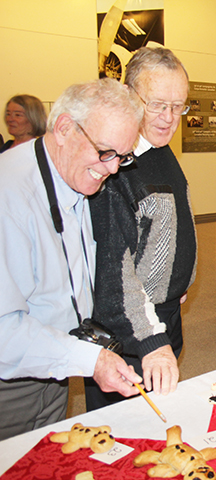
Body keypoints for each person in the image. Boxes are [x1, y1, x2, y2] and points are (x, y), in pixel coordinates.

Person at [0, 79, 144, 441]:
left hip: (52, 363)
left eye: (123, 157)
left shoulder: (72, 174)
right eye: (105, 152)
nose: (112, 169)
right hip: (11, 380)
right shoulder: (9, 194)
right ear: (64, 128)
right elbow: (4, 332)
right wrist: (89, 360)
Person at [86, 47, 197, 411]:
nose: (169, 118)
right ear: (130, 95)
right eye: (158, 105)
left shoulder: (160, 148)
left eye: (178, 106)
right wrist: (150, 338)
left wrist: (181, 280)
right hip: (130, 331)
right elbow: (112, 271)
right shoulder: (113, 165)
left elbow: (171, 220)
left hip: (165, 313)